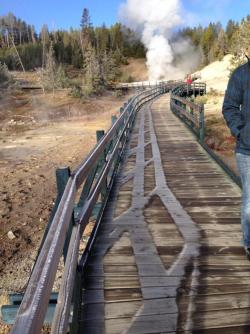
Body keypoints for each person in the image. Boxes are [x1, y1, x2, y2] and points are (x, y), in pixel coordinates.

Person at [222, 53, 250, 259]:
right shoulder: (241, 74)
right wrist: (241, 131)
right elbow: (230, 107)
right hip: (248, 149)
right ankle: (249, 243)